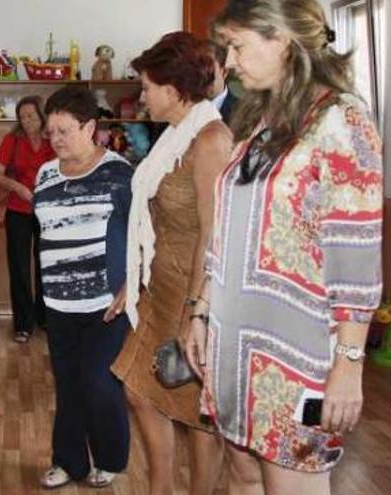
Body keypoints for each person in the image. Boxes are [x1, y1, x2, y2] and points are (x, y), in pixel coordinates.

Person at [186, 1, 383, 493]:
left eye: (237, 47)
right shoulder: (263, 121)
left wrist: (349, 365)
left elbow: (354, 252)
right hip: (239, 347)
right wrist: (202, 309)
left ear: (281, 39)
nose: (228, 64)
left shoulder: (342, 120)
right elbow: (230, 228)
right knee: (244, 473)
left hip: (297, 356)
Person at [108, 31, 233, 495]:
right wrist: (132, 283)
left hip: (193, 296)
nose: (141, 96)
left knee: (198, 416)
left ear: (174, 86)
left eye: (146, 86)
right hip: (159, 289)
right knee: (140, 392)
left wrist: (196, 311)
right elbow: (153, 222)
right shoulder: (174, 136)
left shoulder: (211, 139)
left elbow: (213, 232)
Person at [33, 86, 131, 490]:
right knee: (68, 385)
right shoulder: (46, 173)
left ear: (90, 127)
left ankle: (109, 459)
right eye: (50, 131)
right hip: (58, 303)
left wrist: (130, 284)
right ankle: (68, 461)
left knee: (98, 383)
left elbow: (144, 234)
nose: (54, 139)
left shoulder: (119, 172)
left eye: (64, 130)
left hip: (105, 303)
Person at [0, 95, 55, 344]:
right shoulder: (12, 140)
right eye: (22, 117)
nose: (27, 121)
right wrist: (18, 188)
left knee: (46, 266)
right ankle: (23, 324)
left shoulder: (53, 138)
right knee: (19, 268)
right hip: (18, 210)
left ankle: (44, 318)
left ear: (41, 116)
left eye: (31, 115)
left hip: (48, 211)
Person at [209, 44, 238, 125]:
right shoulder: (183, 110)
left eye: (209, 71)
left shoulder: (243, 111)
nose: (201, 76)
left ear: (224, 72)